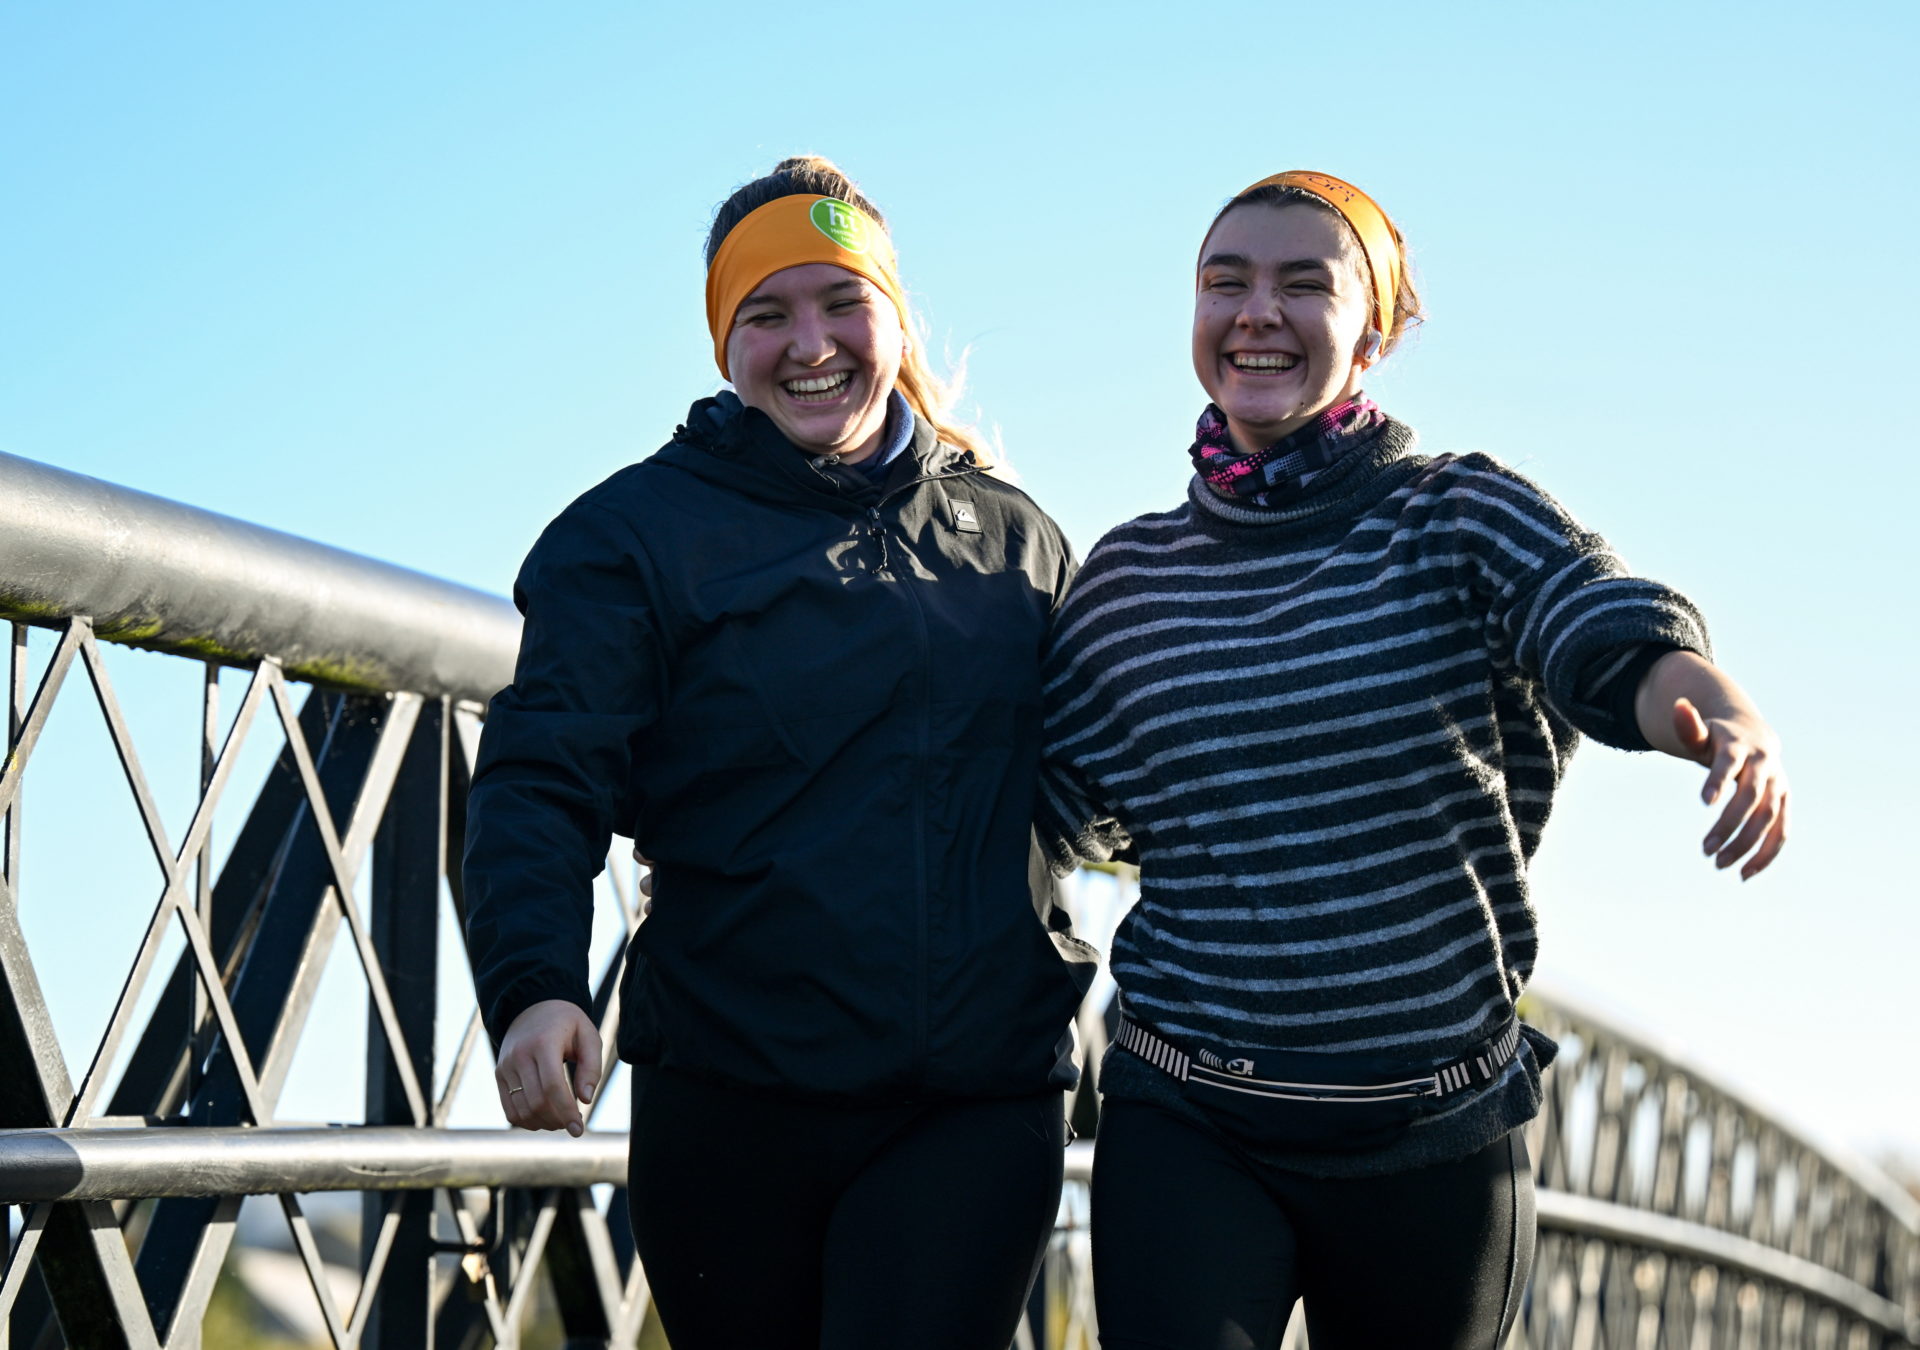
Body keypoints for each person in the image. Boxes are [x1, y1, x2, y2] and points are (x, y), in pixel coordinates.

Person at [1039, 170, 1788, 1350]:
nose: (1256, 312)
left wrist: (1722, 716)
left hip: (1431, 1136)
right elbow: (1043, 806)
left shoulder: (1458, 516)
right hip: (1187, 1112)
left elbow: (1609, 631)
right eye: (1223, 282)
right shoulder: (1131, 581)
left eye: (1305, 284)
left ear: (1375, 334)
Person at [463, 156, 1095, 1350]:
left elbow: (1110, 779)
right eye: (768, 313)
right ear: (724, 345)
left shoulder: (1014, 539)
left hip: (973, 1099)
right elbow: (544, 771)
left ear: (893, 322)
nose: (812, 343)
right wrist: (534, 984)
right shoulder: (631, 536)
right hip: (733, 1095)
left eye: (842, 302)